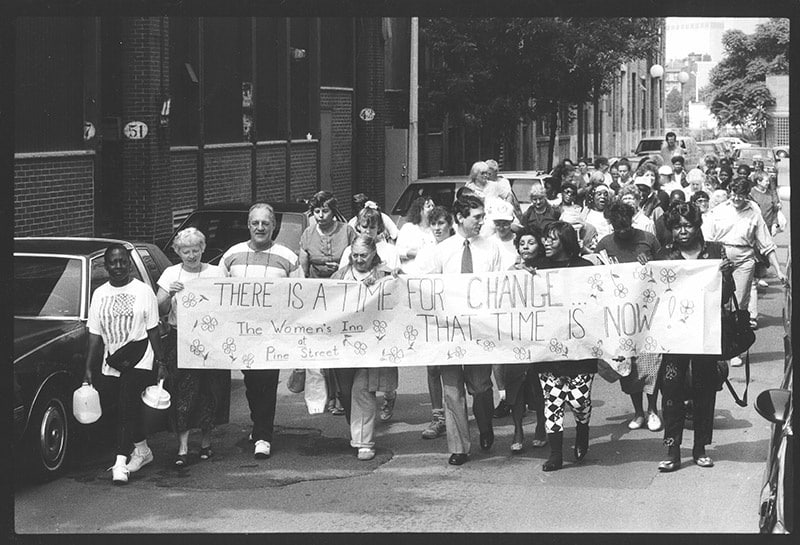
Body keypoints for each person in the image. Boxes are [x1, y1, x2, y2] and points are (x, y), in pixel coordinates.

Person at [655, 202, 735, 472]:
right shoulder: (665, 254)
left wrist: (726, 276)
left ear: (698, 225)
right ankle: (671, 449)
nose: (682, 231)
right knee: (671, 391)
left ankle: (700, 447)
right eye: (676, 227)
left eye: (688, 225)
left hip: (705, 332)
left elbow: (725, 296)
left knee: (704, 390)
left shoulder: (715, 251)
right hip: (674, 335)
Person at [222, 203, 304, 458]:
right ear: (248, 225)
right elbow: (217, 294)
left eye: (265, 224)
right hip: (243, 333)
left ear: (273, 226)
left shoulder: (288, 257)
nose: (260, 228)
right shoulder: (231, 256)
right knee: (251, 383)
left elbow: (300, 295)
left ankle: (263, 436)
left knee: (267, 383)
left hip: (273, 334)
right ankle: (259, 426)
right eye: (255, 223)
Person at [83, 244, 167, 484]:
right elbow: (94, 334)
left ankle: (120, 463)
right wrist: (88, 368)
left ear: (129, 264)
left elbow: (152, 330)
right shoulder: (99, 294)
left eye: (122, 261)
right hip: (113, 359)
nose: (118, 266)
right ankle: (142, 450)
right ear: (106, 265)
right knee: (124, 408)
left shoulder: (143, 291)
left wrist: (161, 362)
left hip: (141, 355)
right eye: (113, 262)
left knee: (126, 407)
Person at [428, 194, 501, 465]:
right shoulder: (442, 250)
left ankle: (485, 426)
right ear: (460, 218)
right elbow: (421, 282)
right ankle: (459, 446)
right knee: (452, 390)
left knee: (480, 387)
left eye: (483, 216)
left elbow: (502, 284)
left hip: (479, 329)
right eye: (477, 217)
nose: (482, 222)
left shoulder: (491, 248)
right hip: (448, 329)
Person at [157, 228, 230, 467]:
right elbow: (161, 308)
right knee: (183, 391)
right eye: (185, 251)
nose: (191, 255)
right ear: (177, 252)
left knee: (210, 390)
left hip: (211, 341)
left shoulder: (217, 272)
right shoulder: (171, 273)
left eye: (195, 250)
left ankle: (207, 443)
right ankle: (183, 447)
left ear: (203, 249)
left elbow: (229, 304)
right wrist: (170, 294)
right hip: (181, 339)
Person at [595, 202, 663, 432]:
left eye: (625, 226)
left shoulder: (648, 239)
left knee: (651, 361)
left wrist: (650, 263)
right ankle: (638, 411)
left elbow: (665, 269)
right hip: (621, 316)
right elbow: (596, 275)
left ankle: (653, 409)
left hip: (648, 312)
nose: (622, 231)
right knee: (629, 366)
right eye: (617, 227)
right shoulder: (604, 244)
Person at [537, 221, 598, 470]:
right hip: (549, 349)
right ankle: (556, 454)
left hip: (580, 348)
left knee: (578, 400)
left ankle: (582, 429)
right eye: (545, 238)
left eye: (552, 238)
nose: (546, 243)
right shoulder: (538, 268)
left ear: (565, 240)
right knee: (552, 400)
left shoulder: (585, 268)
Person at [331, 235, 398, 460]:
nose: (359, 260)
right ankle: (358, 427)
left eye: (364, 255)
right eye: (355, 255)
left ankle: (364, 442)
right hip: (344, 344)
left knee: (363, 390)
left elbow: (402, 295)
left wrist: (397, 280)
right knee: (346, 391)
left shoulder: (385, 274)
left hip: (372, 344)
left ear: (373, 254)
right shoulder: (339, 276)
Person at [707, 177, 786, 363]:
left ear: (747, 195)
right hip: (720, 258)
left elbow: (766, 243)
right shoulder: (718, 211)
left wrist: (778, 270)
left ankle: (735, 350)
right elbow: (706, 238)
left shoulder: (754, 212)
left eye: (741, 195)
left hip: (744, 259)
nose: (736, 199)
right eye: (734, 194)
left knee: (739, 304)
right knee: (720, 303)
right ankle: (717, 347)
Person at [340, 205, 401, 421]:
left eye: (372, 227)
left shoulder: (389, 252)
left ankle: (389, 395)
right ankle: (366, 408)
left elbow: (396, 285)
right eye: (363, 226)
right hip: (357, 318)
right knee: (364, 369)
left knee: (383, 364)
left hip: (381, 318)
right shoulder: (350, 251)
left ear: (379, 229)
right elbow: (340, 282)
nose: (367, 231)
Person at [299, 191, 357, 414]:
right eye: (316, 211)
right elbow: (303, 265)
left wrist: (341, 271)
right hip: (317, 294)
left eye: (325, 211)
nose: (321, 215)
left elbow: (355, 258)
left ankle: (344, 395)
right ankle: (329, 396)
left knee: (341, 342)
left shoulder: (347, 231)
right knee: (323, 345)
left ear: (334, 212)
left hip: (342, 293)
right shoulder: (308, 233)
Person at [408, 205, 454, 439]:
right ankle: (438, 417)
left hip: (457, 315)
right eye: (433, 224)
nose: (437, 228)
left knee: (458, 368)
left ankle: (458, 414)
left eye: (441, 223)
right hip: (432, 315)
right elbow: (414, 280)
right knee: (433, 366)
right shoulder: (426, 251)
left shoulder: (458, 247)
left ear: (450, 224)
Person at [502, 225, 549, 452]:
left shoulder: (547, 269)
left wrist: (536, 277)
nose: (526, 247)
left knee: (539, 383)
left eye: (531, 243)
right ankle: (518, 429)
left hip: (540, 335)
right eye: (522, 244)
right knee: (515, 385)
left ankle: (541, 425)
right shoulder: (510, 270)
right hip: (517, 336)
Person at [395, 196, 436, 272]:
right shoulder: (408, 228)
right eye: (428, 206)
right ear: (420, 210)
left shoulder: (436, 230)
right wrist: (412, 253)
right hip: (409, 274)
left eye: (433, 206)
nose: (432, 209)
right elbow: (397, 251)